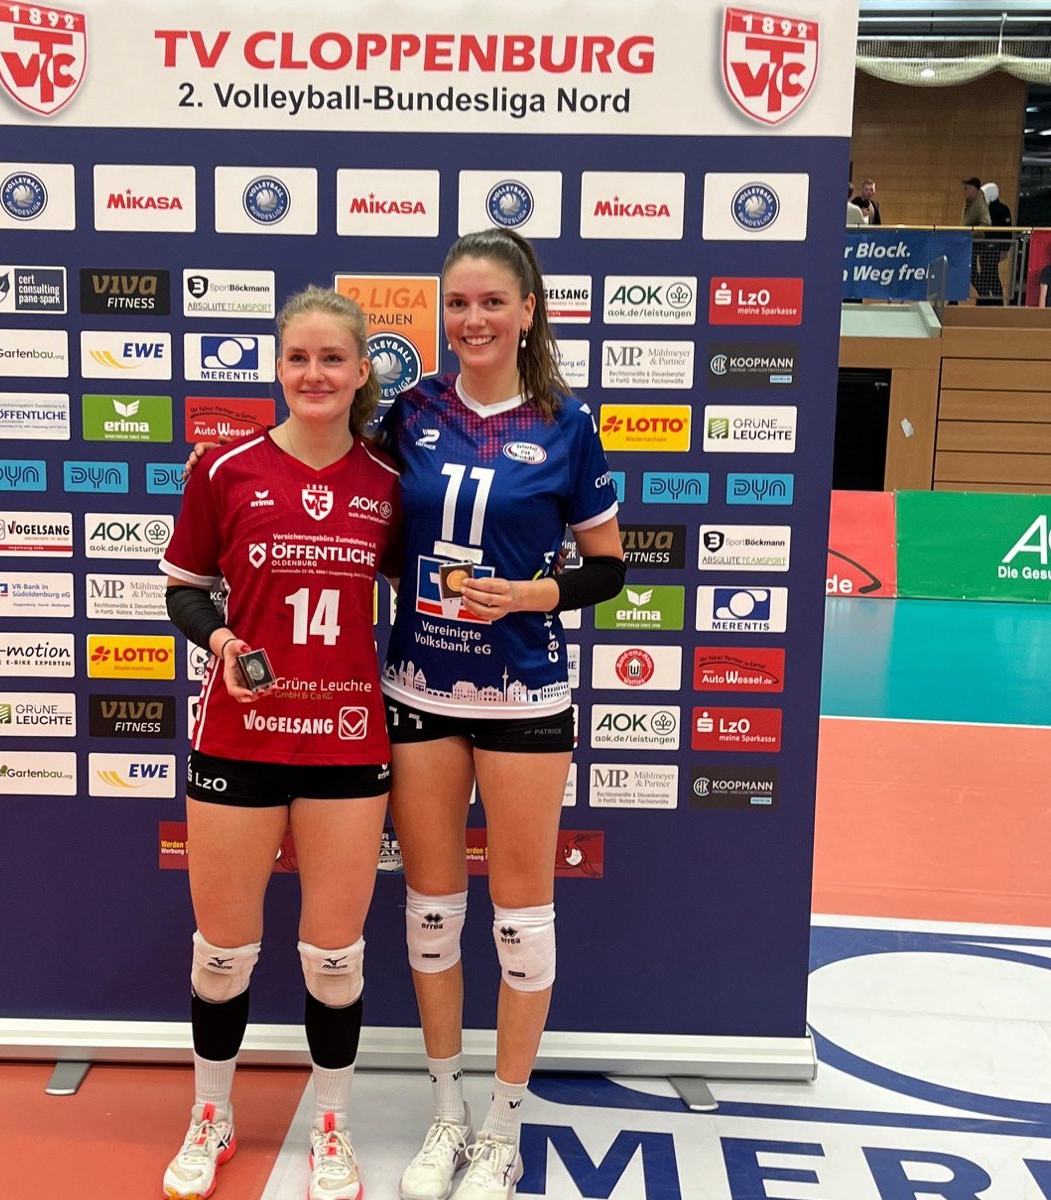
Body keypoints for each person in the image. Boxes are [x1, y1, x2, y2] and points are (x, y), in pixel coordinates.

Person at [381, 229, 624, 1200]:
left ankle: (503, 1128)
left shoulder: (567, 423)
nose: (472, 319)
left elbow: (608, 568)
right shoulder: (410, 412)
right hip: (418, 689)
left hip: (525, 692)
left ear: (528, 310)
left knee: (520, 921)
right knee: (433, 913)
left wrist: (530, 596)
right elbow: (347, 509)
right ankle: (446, 1114)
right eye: (457, 302)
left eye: (491, 301)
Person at [160, 287, 401, 1200]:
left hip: (346, 741)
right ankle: (210, 1113)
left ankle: (331, 1124)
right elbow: (184, 588)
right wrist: (222, 642)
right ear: (276, 366)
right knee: (222, 951)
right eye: (298, 357)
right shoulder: (224, 471)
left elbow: (434, 579)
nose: (314, 374)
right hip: (239, 740)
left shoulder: (389, 483)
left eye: (332, 358)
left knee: (334, 956)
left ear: (361, 369)